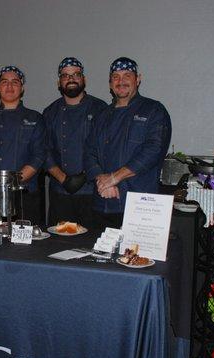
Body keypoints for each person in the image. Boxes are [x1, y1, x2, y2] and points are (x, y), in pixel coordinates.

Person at [84, 57, 172, 230]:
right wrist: (102, 180)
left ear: (138, 79)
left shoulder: (154, 110)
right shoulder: (101, 115)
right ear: (110, 83)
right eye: (115, 77)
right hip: (103, 201)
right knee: (100, 255)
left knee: (135, 257)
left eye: (127, 75)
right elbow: (89, 151)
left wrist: (114, 178)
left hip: (139, 204)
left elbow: (153, 150)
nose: (121, 81)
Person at [0, 66, 46, 224]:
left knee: (27, 246)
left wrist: (10, 184)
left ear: (22, 88)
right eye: (4, 82)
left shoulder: (35, 118)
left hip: (25, 193)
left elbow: (38, 156)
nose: (10, 86)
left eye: (15, 82)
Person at [43, 57, 107, 227]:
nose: (71, 79)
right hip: (60, 193)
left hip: (94, 190)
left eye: (76, 74)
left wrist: (86, 175)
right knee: (59, 245)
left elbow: (106, 148)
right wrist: (63, 179)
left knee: (91, 244)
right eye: (65, 75)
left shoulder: (101, 109)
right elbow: (44, 150)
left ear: (83, 79)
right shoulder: (50, 112)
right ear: (59, 82)